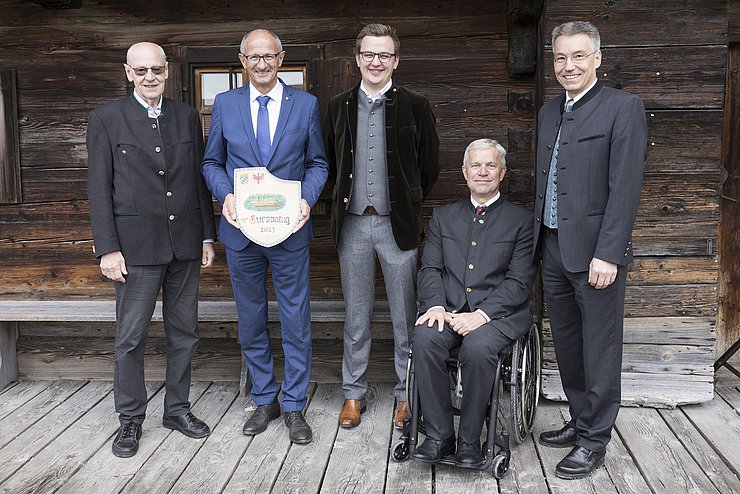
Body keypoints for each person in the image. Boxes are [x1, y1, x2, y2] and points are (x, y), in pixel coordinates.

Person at [87, 42, 217, 458]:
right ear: (128, 73)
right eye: (141, 70)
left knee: (185, 334)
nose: (149, 77)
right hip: (134, 250)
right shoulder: (106, 119)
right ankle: (130, 420)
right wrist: (107, 248)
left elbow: (197, 184)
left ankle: (177, 409)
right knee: (130, 338)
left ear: (167, 72)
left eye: (156, 70)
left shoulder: (185, 116)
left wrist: (206, 237)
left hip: (184, 246)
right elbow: (98, 189)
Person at [201, 29, 328, 445]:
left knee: (295, 318)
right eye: (253, 57)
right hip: (241, 232)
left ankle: (293, 405)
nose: (261, 63)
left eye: (269, 56)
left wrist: (307, 199)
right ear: (242, 60)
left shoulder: (305, 104)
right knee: (251, 318)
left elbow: (318, 164)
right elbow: (211, 163)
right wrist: (227, 197)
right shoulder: (225, 104)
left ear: (281, 58)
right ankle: (264, 398)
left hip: (290, 230)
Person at [533, 21, 647, 479]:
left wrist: (611, 253)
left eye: (578, 56)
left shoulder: (623, 107)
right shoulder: (547, 111)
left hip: (597, 254)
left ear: (597, 59)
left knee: (600, 348)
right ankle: (580, 421)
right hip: (554, 247)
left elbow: (625, 187)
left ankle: (595, 439)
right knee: (567, 343)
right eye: (560, 58)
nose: (568, 66)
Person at [324, 23, 440, 430]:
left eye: (384, 55)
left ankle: (407, 396)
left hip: (398, 227)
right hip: (353, 225)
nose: (376, 61)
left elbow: (429, 166)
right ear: (357, 59)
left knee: (405, 317)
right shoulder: (337, 105)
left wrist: (407, 201)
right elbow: (330, 163)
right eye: (368, 54)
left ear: (395, 61)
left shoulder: (415, 105)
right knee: (355, 316)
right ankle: (353, 395)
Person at [410, 139, 536, 468]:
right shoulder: (444, 216)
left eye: (490, 166)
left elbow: (519, 281)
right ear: (464, 173)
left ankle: (469, 440)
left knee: (478, 348)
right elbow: (430, 269)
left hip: (499, 316)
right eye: (476, 166)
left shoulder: (521, 221)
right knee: (425, 337)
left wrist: (482, 314)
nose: (483, 172)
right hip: (449, 310)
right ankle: (439, 435)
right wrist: (435, 305)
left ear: (502, 173)